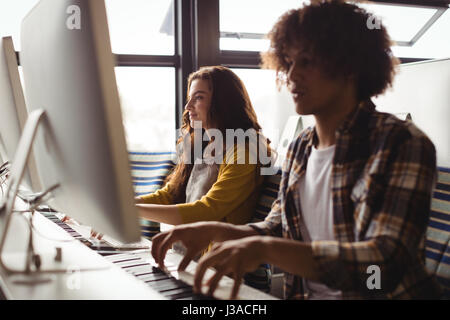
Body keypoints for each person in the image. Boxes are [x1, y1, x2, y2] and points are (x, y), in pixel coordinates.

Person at [150, 0, 442, 300]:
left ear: (351, 66)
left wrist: (264, 249)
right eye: (288, 62)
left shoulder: (402, 143)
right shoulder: (301, 147)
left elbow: (383, 263)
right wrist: (218, 232)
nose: (291, 75)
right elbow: (277, 227)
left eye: (308, 61)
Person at [135, 66, 272, 228]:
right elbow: (169, 195)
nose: (188, 106)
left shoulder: (246, 151)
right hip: (183, 248)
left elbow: (207, 210)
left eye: (198, 98)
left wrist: (132, 211)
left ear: (223, 102)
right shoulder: (205, 143)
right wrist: (124, 206)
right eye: (190, 98)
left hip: (214, 252)